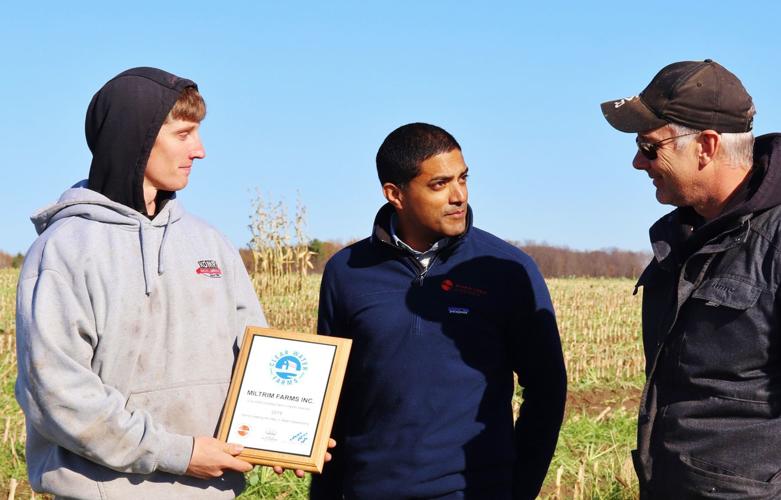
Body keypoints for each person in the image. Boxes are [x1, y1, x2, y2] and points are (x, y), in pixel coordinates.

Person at [15, 67, 266, 498]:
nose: (200, 151)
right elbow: (57, 393)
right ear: (136, 138)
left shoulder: (211, 245)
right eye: (184, 134)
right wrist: (177, 452)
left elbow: (257, 358)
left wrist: (294, 436)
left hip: (212, 491)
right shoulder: (65, 250)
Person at [310, 123, 567, 499]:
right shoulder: (346, 272)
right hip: (369, 489)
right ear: (395, 194)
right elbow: (333, 395)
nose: (458, 196)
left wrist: (519, 489)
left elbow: (547, 389)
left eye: (463, 179)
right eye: (439, 184)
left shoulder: (507, 269)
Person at [601, 59, 781, 498]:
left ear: (706, 145)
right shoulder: (683, 239)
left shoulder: (774, 243)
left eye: (650, 146)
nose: (637, 163)